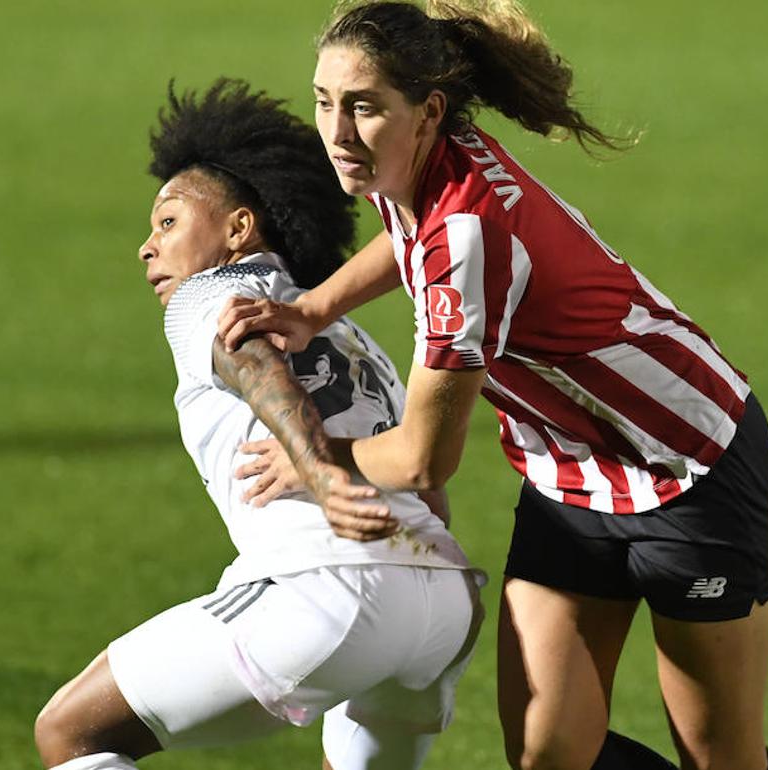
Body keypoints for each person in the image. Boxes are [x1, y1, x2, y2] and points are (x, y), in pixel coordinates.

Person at [218, 3, 768, 770]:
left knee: (721, 759)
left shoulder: (467, 243)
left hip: (691, 466)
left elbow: (423, 460)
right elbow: (404, 234)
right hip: (568, 478)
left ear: (428, 111)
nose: (338, 132)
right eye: (325, 102)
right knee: (550, 758)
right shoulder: (408, 163)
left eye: (362, 107)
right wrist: (314, 309)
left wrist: (314, 455)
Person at [33, 79, 484, 770]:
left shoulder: (207, 296)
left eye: (168, 222)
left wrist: (320, 475)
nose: (146, 249)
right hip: (443, 605)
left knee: (71, 733)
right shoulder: (351, 335)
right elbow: (424, 489)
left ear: (239, 229)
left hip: (330, 589)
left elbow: (251, 362)